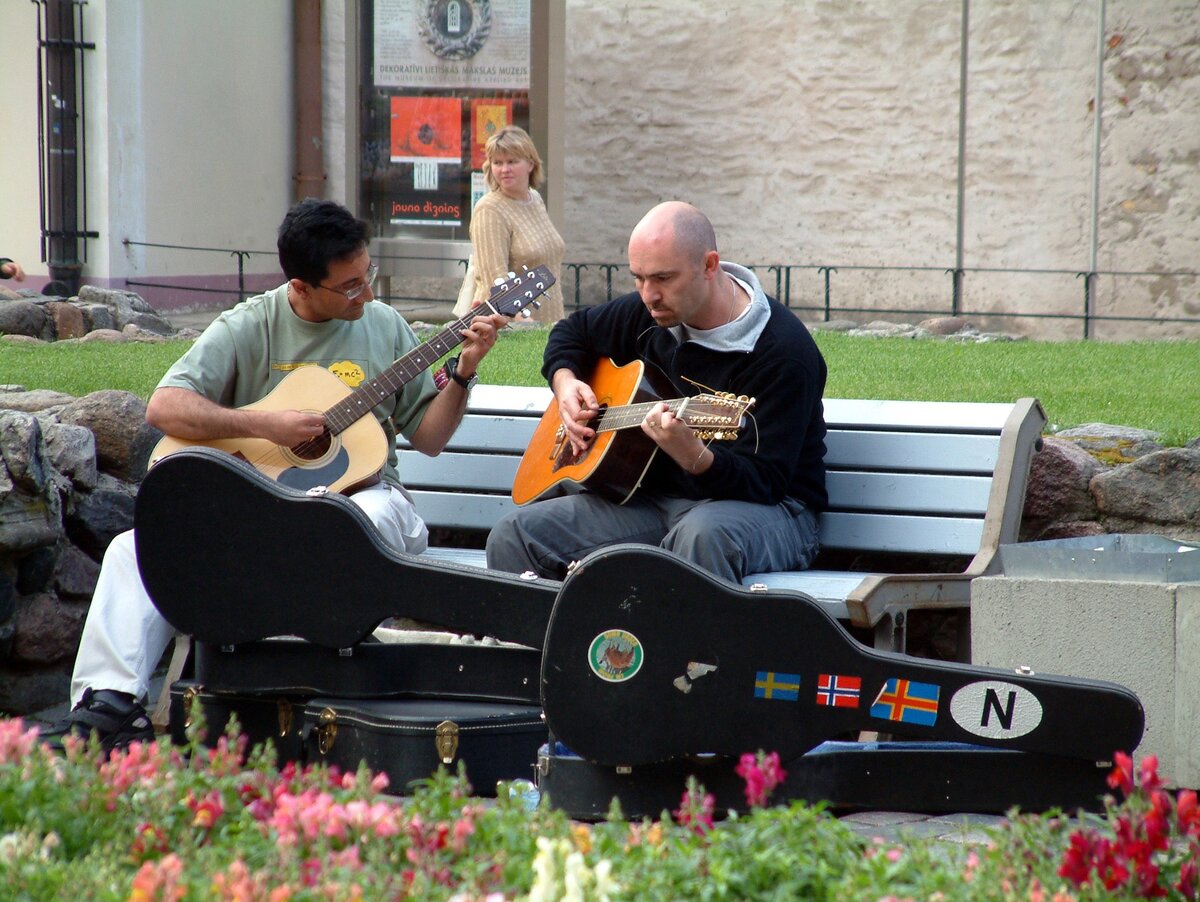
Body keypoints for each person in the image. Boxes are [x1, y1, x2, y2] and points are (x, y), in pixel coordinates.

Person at [42, 198, 507, 752]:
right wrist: (266, 425)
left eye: (368, 276)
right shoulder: (251, 324)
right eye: (351, 286)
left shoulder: (385, 329)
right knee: (132, 548)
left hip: (370, 500)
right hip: (259, 514)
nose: (369, 294)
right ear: (302, 287)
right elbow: (164, 408)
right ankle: (110, 707)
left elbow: (430, 438)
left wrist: (464, 371)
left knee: (354, 520)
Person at [486, 201, 827, 584]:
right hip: (650, 502)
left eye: (663, 278)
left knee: (701, 537)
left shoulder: (782, 353)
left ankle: (685, 646)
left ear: (709, 265)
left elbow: (766, 481)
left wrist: (695, 458)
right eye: (638, 278)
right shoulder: (648, 312)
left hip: (772, 511)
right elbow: (573, 332)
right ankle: (562, 643)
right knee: (514, 536)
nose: (648, 295)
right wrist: (566, 383)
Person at [463, 125, 565, 324]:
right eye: (497, 162)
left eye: (512, 161)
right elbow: (495, 281)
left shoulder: (534, 199)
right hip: (511, 328)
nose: (504, 169)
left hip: (549, 323)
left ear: (530, 163)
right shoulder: (489, 210)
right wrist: (525, 326)